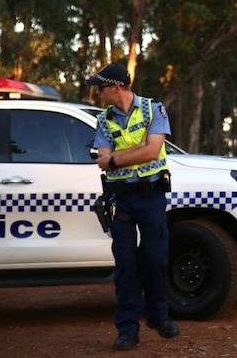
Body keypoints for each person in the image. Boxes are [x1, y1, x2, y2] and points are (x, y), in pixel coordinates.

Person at [87, 63, 180, 351]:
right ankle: (127, 328)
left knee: (154, 259)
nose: (98, 94)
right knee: (125, 265)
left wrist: (118, 157)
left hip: (151, 196)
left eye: (100, 88)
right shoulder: (104, 119)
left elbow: (153, 150)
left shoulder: (154, 110)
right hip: (121, 199)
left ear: (116, 87)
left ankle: (157, 316)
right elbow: (103, 158)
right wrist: (133, 153)